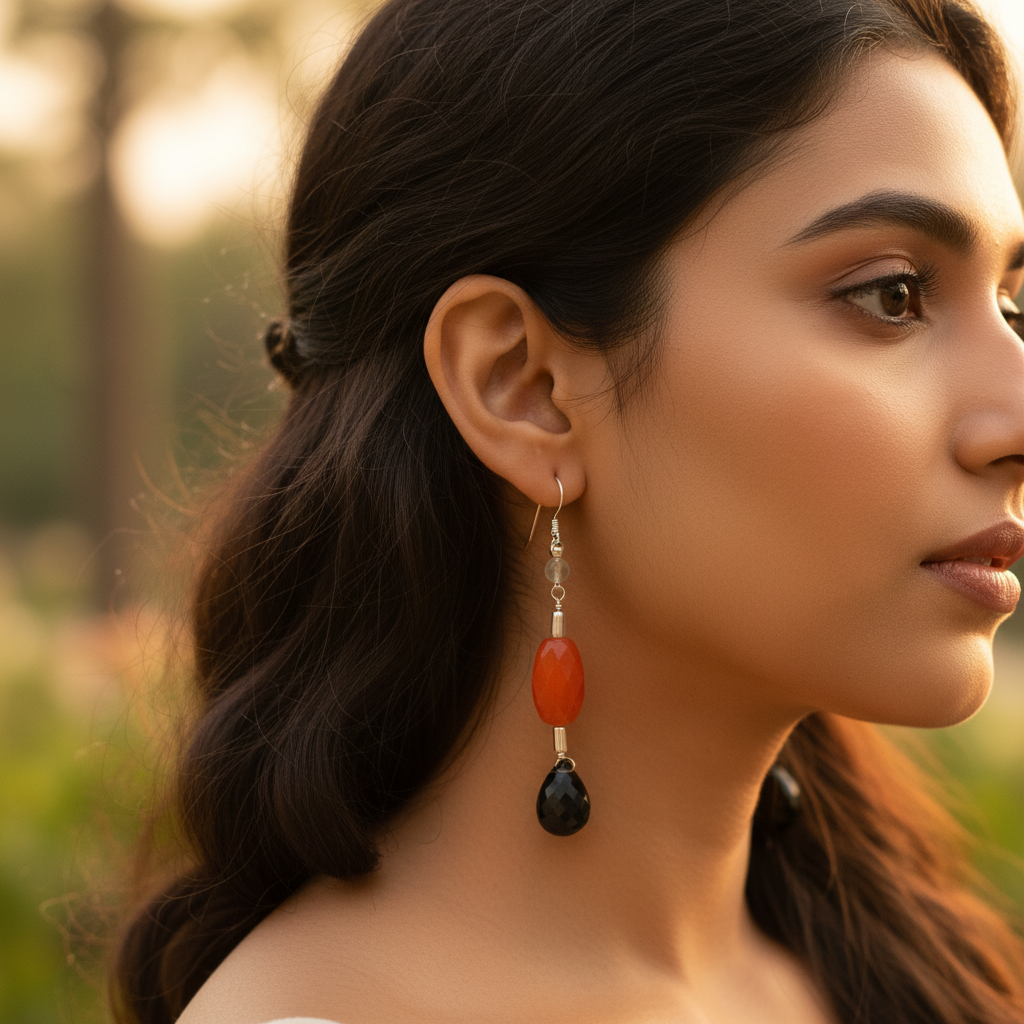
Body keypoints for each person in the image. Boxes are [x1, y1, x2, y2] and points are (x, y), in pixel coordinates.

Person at [112, 0, 1024, 1021]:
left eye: (1011, 307)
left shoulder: (904, 974)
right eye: (892, 295)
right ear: (523, 387)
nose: (1014, 413)